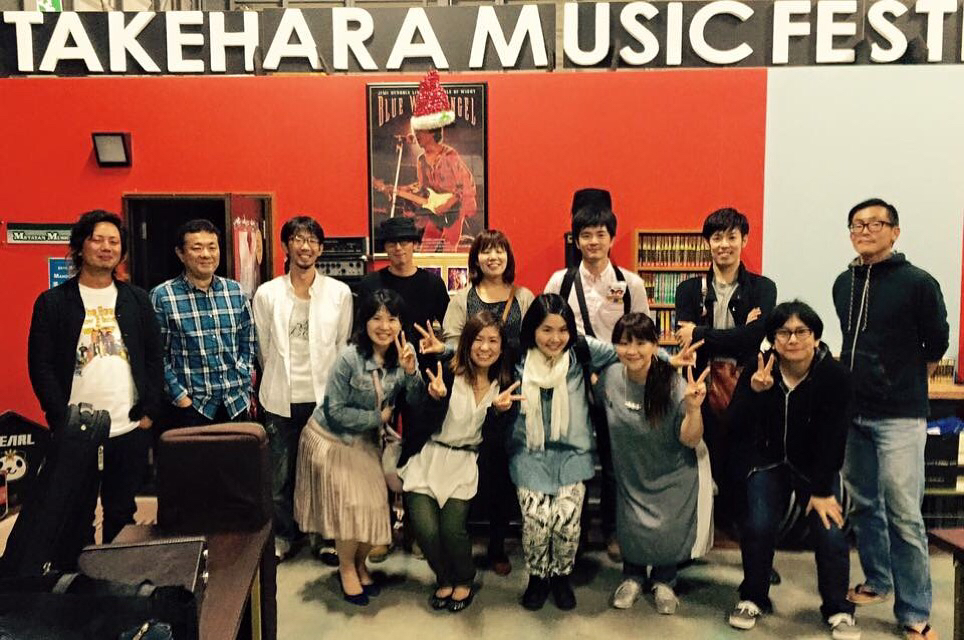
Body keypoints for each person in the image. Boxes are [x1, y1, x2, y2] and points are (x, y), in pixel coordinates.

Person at [832, 198, 948, 640]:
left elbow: (936, 344)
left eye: (875, 224)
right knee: (863, 504)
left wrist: (900, 378)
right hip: (853, 412)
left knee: (904, 514)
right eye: (856, 225)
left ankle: (915, 611)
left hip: (900, 415)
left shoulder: (918, 283)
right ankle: (878, 581)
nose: (864, 231)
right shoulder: (844, 282)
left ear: (895, 231)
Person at [27, 210, 163, 544]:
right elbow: (41, 366)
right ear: (80, 246)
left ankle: (117, 573)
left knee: (122, 511)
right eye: (97, 240)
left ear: (122, 251)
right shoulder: (53, 302)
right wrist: (60, 417)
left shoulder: (137, 300)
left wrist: (149, 412)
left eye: (113, 242)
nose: (106, 248)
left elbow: (154, 357)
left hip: (128, 426)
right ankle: (78, 572)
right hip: (76, 428)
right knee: (76, 512)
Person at [726, 300, 860, 639]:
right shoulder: (759, 367)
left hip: (815, 468)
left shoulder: (835, 376)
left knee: (830, 531)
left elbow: (835, 437)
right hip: (768, 461)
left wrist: (822, 491)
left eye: (802, 331)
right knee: (758, 525)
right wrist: (754, 392)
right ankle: (753, 598)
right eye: (783, 332)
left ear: (815, 337)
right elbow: (735, 425)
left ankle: (838, 609)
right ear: (773, 339)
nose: (793, 339)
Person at [293, 289, 423, 606]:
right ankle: (347, 569)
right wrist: (376, 417)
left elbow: (416, 401)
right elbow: (334, 410)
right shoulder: (349, 358)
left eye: (392, 319)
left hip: (364, 440)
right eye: (376, 318)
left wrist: (411, 372)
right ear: (364, 322)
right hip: (331, 439)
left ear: (401, 323)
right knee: (351, 508)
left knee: (376, 507)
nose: (384, 326)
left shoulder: (403, 356)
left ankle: (360, 564)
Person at [544, 188, 651, 560]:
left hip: (618, 381)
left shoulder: (630, 284)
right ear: (576, 240)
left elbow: (643, 333)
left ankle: (613, 529)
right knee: (574, 457)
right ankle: (572, 530)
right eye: (585, 235)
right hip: (571, 380)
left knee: (615, 458)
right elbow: (548, 331)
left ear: (612, 237)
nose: (593, 241)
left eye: (600, 234)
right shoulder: (559, 281)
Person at [398, 311, 520, 612]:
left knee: (453, 529)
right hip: (429, 456)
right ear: (466, 342)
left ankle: (464, 578)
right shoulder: (448, 372)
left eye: (493, 341)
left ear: (502, 346)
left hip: (466, 462)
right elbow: (417, 412)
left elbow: (495, 441)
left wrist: (498, 413)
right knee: (426, 530)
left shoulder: (505, 385)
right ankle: (443, 578)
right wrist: (434, 398)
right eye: (478, 339)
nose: (485, 347)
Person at [252, 216, 353, 561]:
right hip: (280, 399)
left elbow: (341, 347)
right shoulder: (267, 294)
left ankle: (324, 539)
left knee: (325, 476)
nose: (305, 246)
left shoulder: (339, 294)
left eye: (311, 240)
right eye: (297, 239)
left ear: (320, 249)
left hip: (324, 401)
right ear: (286, 246)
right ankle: (283, 537)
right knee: (279, 478)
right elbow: (263, 348)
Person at [601, 313, 713, 616]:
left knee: (667, 528)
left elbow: (690, 439)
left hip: (671, 470)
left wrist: (693, 409)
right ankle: (633, 577)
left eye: (641, 343)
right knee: (631, 525)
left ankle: (665, 580)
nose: (632, 351)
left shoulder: (675, 385)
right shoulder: (611, 377)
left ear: (654, 345)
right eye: (624, 343)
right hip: (631, 469)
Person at [674, 207, 776, 530]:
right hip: (701, 383)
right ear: (707, 242)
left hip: (746, 385)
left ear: (744, 240)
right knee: (703, 456)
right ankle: (702, 529)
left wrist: (701, 332)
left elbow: (755, 337)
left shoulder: (763, 288)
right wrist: (739, 332)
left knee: (740, 459)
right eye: (717, 237)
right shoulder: (689, 290)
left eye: (732, 237)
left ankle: (738, 530)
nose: (724, 245)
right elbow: (687, 342)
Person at [441, 229, 534, 575]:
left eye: (499, 251)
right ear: (475, 259)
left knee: (500, 467)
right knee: (467, 463)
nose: (493, 257)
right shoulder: (461, 299)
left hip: (510, 388)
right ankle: (460, 538)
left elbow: (534, 342)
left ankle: (497, 545)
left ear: (508, 257)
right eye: (486, 251)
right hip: (471, 386)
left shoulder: (523, 297)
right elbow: (452, 342)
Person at [151, 219, 256, 426]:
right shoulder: (163, 296)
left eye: (212, 247)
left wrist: (244, 376)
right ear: (181, 254)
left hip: (235, 403)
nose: (206, 254)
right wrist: (180, 397)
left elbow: (248, 341)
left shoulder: (235, 291)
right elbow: (157, 355)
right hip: (191, 408)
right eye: (197, 248)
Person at [407, 69, 478, 252]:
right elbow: (424, 190)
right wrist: (408, 192)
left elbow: (464, 186)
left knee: (449, 251)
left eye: (420, 131)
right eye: (416, 131)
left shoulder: (450, 155)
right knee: (426, 250)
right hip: (435, 213)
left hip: (454, 212)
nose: (416, 135)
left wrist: (448, 204)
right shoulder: (421, 160)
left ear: (432, 132)